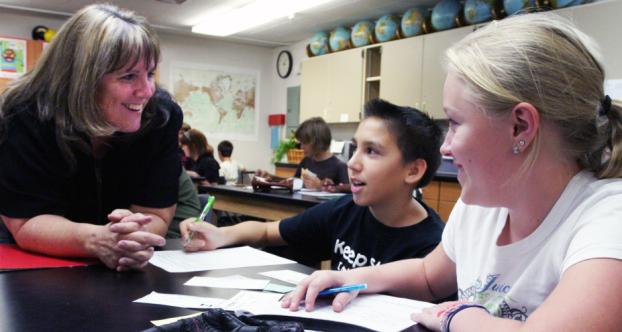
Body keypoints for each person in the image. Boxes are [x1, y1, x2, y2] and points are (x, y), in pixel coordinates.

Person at [281, 12, 622, 332]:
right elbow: (429, 274)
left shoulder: (608, 219)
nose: (446, 147)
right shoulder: (482, 204)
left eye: (456, 123)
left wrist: (459, 317)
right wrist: (350, 278)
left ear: (520, 126)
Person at [0, 4, 181, 271]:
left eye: (150, 73)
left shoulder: (161, 117)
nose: (146, 91)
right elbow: (26, 222)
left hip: (116, 259)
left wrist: (129, 235)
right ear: (82, 80)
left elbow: (155, 213)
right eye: (129, 76)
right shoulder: (24, 114)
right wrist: (97, 239)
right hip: (35, 258)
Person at [181, 99, 445, 271]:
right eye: (355, 148)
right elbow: (266, 231)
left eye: (372, 151)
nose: (352, 162)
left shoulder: (435, 248)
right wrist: (220, 235)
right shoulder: (344, 211)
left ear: (413, 170)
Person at [294, 117, 349, 190]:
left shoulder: (339, 166)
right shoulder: (305, 161)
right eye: (301, 143)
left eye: (305, 143)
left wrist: (321, 186)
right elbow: (295, 182)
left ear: (317, 142)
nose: (301, 147)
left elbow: (347, 196)